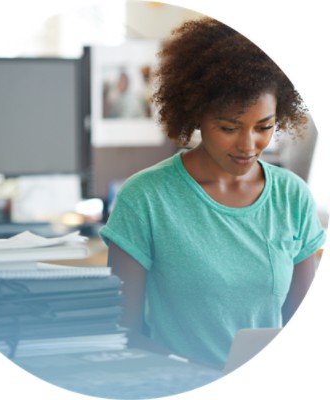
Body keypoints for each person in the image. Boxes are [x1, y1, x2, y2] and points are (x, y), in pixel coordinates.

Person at [99, 17, 326, 370]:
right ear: (196, 116)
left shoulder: (292, 196)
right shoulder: (145, 198)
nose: (249, 145)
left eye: (264, 127)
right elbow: (121, 334)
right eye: (228, 127)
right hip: (178, 382)